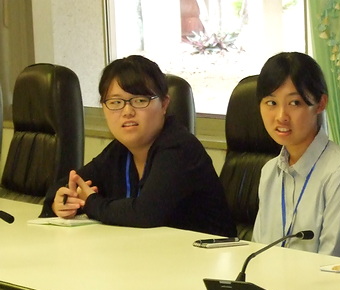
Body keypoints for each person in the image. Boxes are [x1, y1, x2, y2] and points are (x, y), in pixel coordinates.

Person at [42, 55, 236, 237]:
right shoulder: (119, 150)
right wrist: (62, 201)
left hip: (208, 255)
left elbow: (146, 213)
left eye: (140, 100)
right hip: (153, 252)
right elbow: (68, 184)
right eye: (116, 102)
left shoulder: (179, 147)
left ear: (164, 104)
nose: (127, 111)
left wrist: (91, 203)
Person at [252, 51, 340, 258]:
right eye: (271, 103)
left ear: (321, 104)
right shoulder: (269, 172)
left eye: (294, 103)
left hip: (325, 279)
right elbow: (257, 252)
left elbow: (333, 263)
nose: (281, 116)